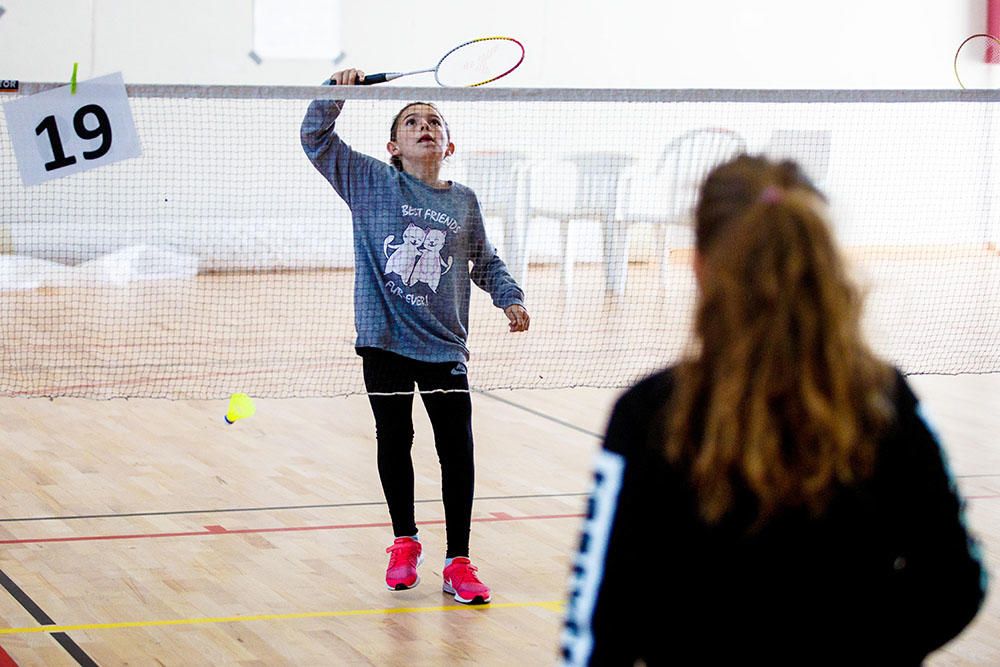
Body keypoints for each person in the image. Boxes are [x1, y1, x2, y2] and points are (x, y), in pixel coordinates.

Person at [562, 155, 986, 664]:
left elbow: (599, 627)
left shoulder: (651, 414)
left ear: (700, 267)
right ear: (822, 263)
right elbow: (957, 581)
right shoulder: (882, 398)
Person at [301, 68, 529, 605]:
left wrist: (509, 295)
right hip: (383, 339)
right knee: (393, 439)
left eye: (433, 122)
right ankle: (404, 542)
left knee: (458, 449)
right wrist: (337, 93)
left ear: (449, 144)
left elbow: (485, 262)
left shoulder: (464, 201)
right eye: (411, 122)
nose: (424, 127)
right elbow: (315, 138)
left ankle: (458, 561)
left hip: (444, 344)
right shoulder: (369, 181)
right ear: (393, 145)